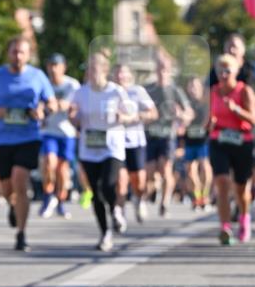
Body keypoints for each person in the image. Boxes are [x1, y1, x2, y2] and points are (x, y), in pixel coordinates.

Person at [0, 36, 55, 251]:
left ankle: (21, 233)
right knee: (6, 187)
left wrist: (43, 110)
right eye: (14, 52)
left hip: (29, 136)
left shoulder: (37, 76)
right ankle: (12, 204)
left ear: (28, 55)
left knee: (20, 179)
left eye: (22, 52)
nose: (18, 56)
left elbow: (51, 103)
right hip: (2, 139)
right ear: (8, 54)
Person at [70, 51, 136, 251]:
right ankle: (105, 233)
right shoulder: (81, 92)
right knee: (95, 192)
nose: (91, 71)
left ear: (104, 70)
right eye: (88, 67)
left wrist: (122, 118)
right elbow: (75, 118)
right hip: (89, 148)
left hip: (112, 147)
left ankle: (116, 209)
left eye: (95, 66)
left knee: (107, 185)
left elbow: (131, 115)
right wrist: (72, 117)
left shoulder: (115, 91)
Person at [209, 53, 255, 244]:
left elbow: (253, 120)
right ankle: (225, 227)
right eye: (220, 70)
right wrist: (209, 123)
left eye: (227, 70)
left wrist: (236, 110)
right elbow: (205, 120)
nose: (223, 73)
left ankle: (245, 218)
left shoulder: (244, 91)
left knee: (240, 189)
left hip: (241, 141)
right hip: (219, 140)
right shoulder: (212, 92)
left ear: (236, 71)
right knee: (222, 183)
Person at [145, 56, 193, 216]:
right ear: (155, 69)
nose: (162, 71)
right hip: (150, 135)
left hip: (168, 136)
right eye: (159, 67)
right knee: (150, 172)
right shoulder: (148, 89)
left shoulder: (175, 90)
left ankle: (164, 202)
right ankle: (157, 186)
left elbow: (189, 114)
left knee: (166, 169)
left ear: (169, 70)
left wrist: (181, 115)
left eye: (165, 68)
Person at [113, 63, 158, 223]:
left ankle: (139, 199)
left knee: (138, 180)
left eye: (123, 73)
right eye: (117, 73)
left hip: (135, 141)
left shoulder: (137, 91)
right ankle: (119, 213)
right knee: (120, 180)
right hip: (116, 143)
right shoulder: (110, 91)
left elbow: (153, 113)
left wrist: (135, 117)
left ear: (129, 76)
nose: (120, 77)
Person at [38, 53, 80, 219]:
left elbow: (71, 104)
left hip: (67, 132)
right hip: (49, 131)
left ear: (64, 67)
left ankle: (61, 201)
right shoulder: (44, 84)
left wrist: (64, 105)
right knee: (49, 162)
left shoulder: (72, 85)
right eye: (50, 65)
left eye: (57, 65)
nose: (53, 69)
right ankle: (48, 197)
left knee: (62, 170)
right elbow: (39, 104)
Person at [209, 33, 255, 104]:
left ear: (243, 49)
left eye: (234, 47)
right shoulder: (217, 69)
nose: (231, 50)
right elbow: (206, 90)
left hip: (247, 109)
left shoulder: (251, 67)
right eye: (228, 47)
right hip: (222, 110)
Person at [183, 76, 212, 210]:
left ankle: (205, 196)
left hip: (203, 142)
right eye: (191, 87)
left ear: (200, 88)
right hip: (189, 142)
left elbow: (212, 121)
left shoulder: (207, 104)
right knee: (190, 172)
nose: (193, 90)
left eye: (195, 87)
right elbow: (180, 121)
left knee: (205, 167)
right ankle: (197, 197)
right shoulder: (186, 104)